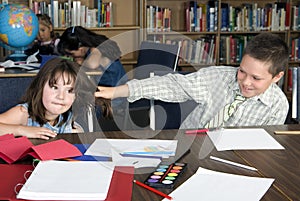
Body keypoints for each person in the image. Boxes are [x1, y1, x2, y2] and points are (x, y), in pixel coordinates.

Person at [95, 32, 290, 129]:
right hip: (191, 146)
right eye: (242, 72)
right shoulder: (219, 77)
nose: (246, 82)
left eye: (256, 78)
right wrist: (117, 91)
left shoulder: (277, 105)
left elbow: (263, 147)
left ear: (277, 77)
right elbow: (171, 85)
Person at [0, 57, 111, 139]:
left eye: (70, 90)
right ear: (40, 87)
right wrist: (21, 130)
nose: (61, 96)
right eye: (54, 87)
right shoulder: (23, 113)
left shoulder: (68, 115)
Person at [57, 26, 127, 87]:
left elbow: (93, 64)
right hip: (109, 88)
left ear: (81, 49)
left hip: (116, 93)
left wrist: (81, 62)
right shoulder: (90, 49)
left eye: (72, 54)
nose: (72, 57)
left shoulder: (96, 49)